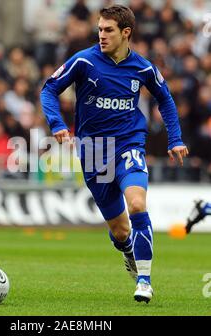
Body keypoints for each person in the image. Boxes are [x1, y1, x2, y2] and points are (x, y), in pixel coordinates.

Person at [41, 5, 189, 303]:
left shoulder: (143, 68)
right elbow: (49, 89)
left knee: (137, 204)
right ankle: (128, 250)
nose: (101, 35)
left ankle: (145, 281)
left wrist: (175, 138)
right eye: (99, 29)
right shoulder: (83, 61)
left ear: (126, 33)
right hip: (94, 153)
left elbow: (165, 98)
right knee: (121, 231)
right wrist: (56, 123)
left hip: (128, 145)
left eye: (108, 30)